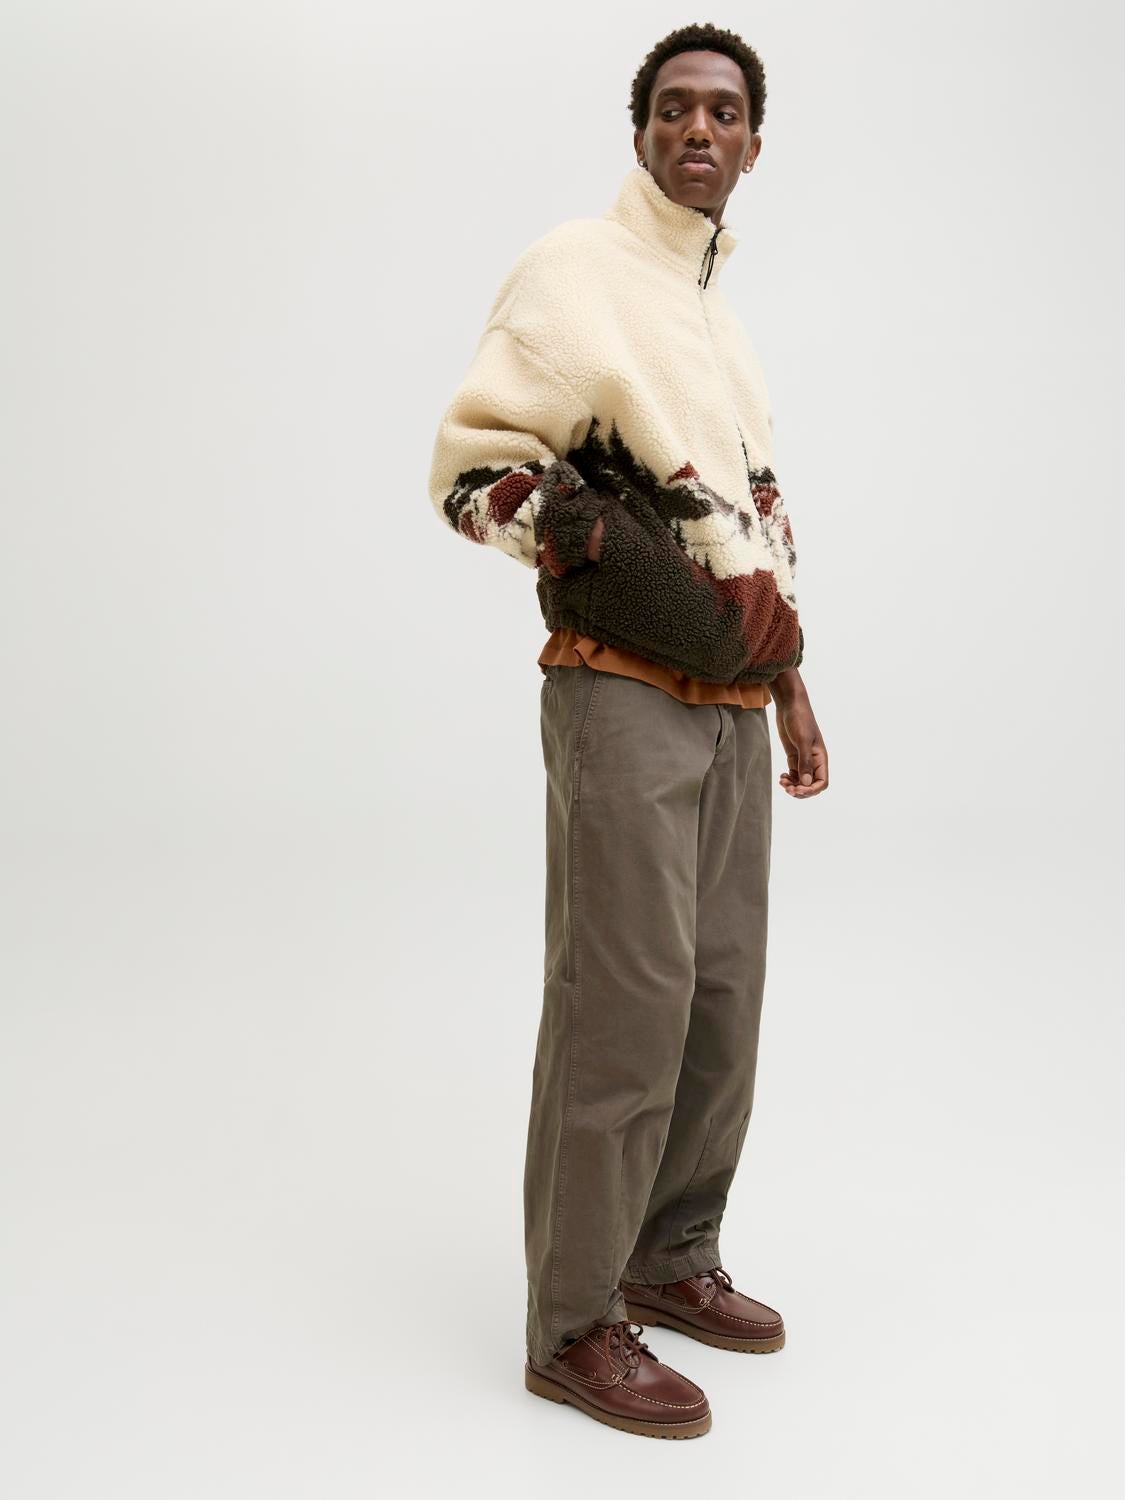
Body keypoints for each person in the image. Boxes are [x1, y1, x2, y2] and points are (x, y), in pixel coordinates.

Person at [427, 22, 828, 1440]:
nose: (696, 129)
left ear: (754, 145)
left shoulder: (719, 323)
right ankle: (571, 1322)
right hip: (622, 686)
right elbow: (476, 470)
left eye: (722, 111)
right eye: (672, 108)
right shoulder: (575, 273)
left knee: (719, 998)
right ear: (642, 131)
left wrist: (789, 678)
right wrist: (620, 563)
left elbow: (749, 526)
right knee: (625, 1001)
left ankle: (669, 1256)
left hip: (730, 708)